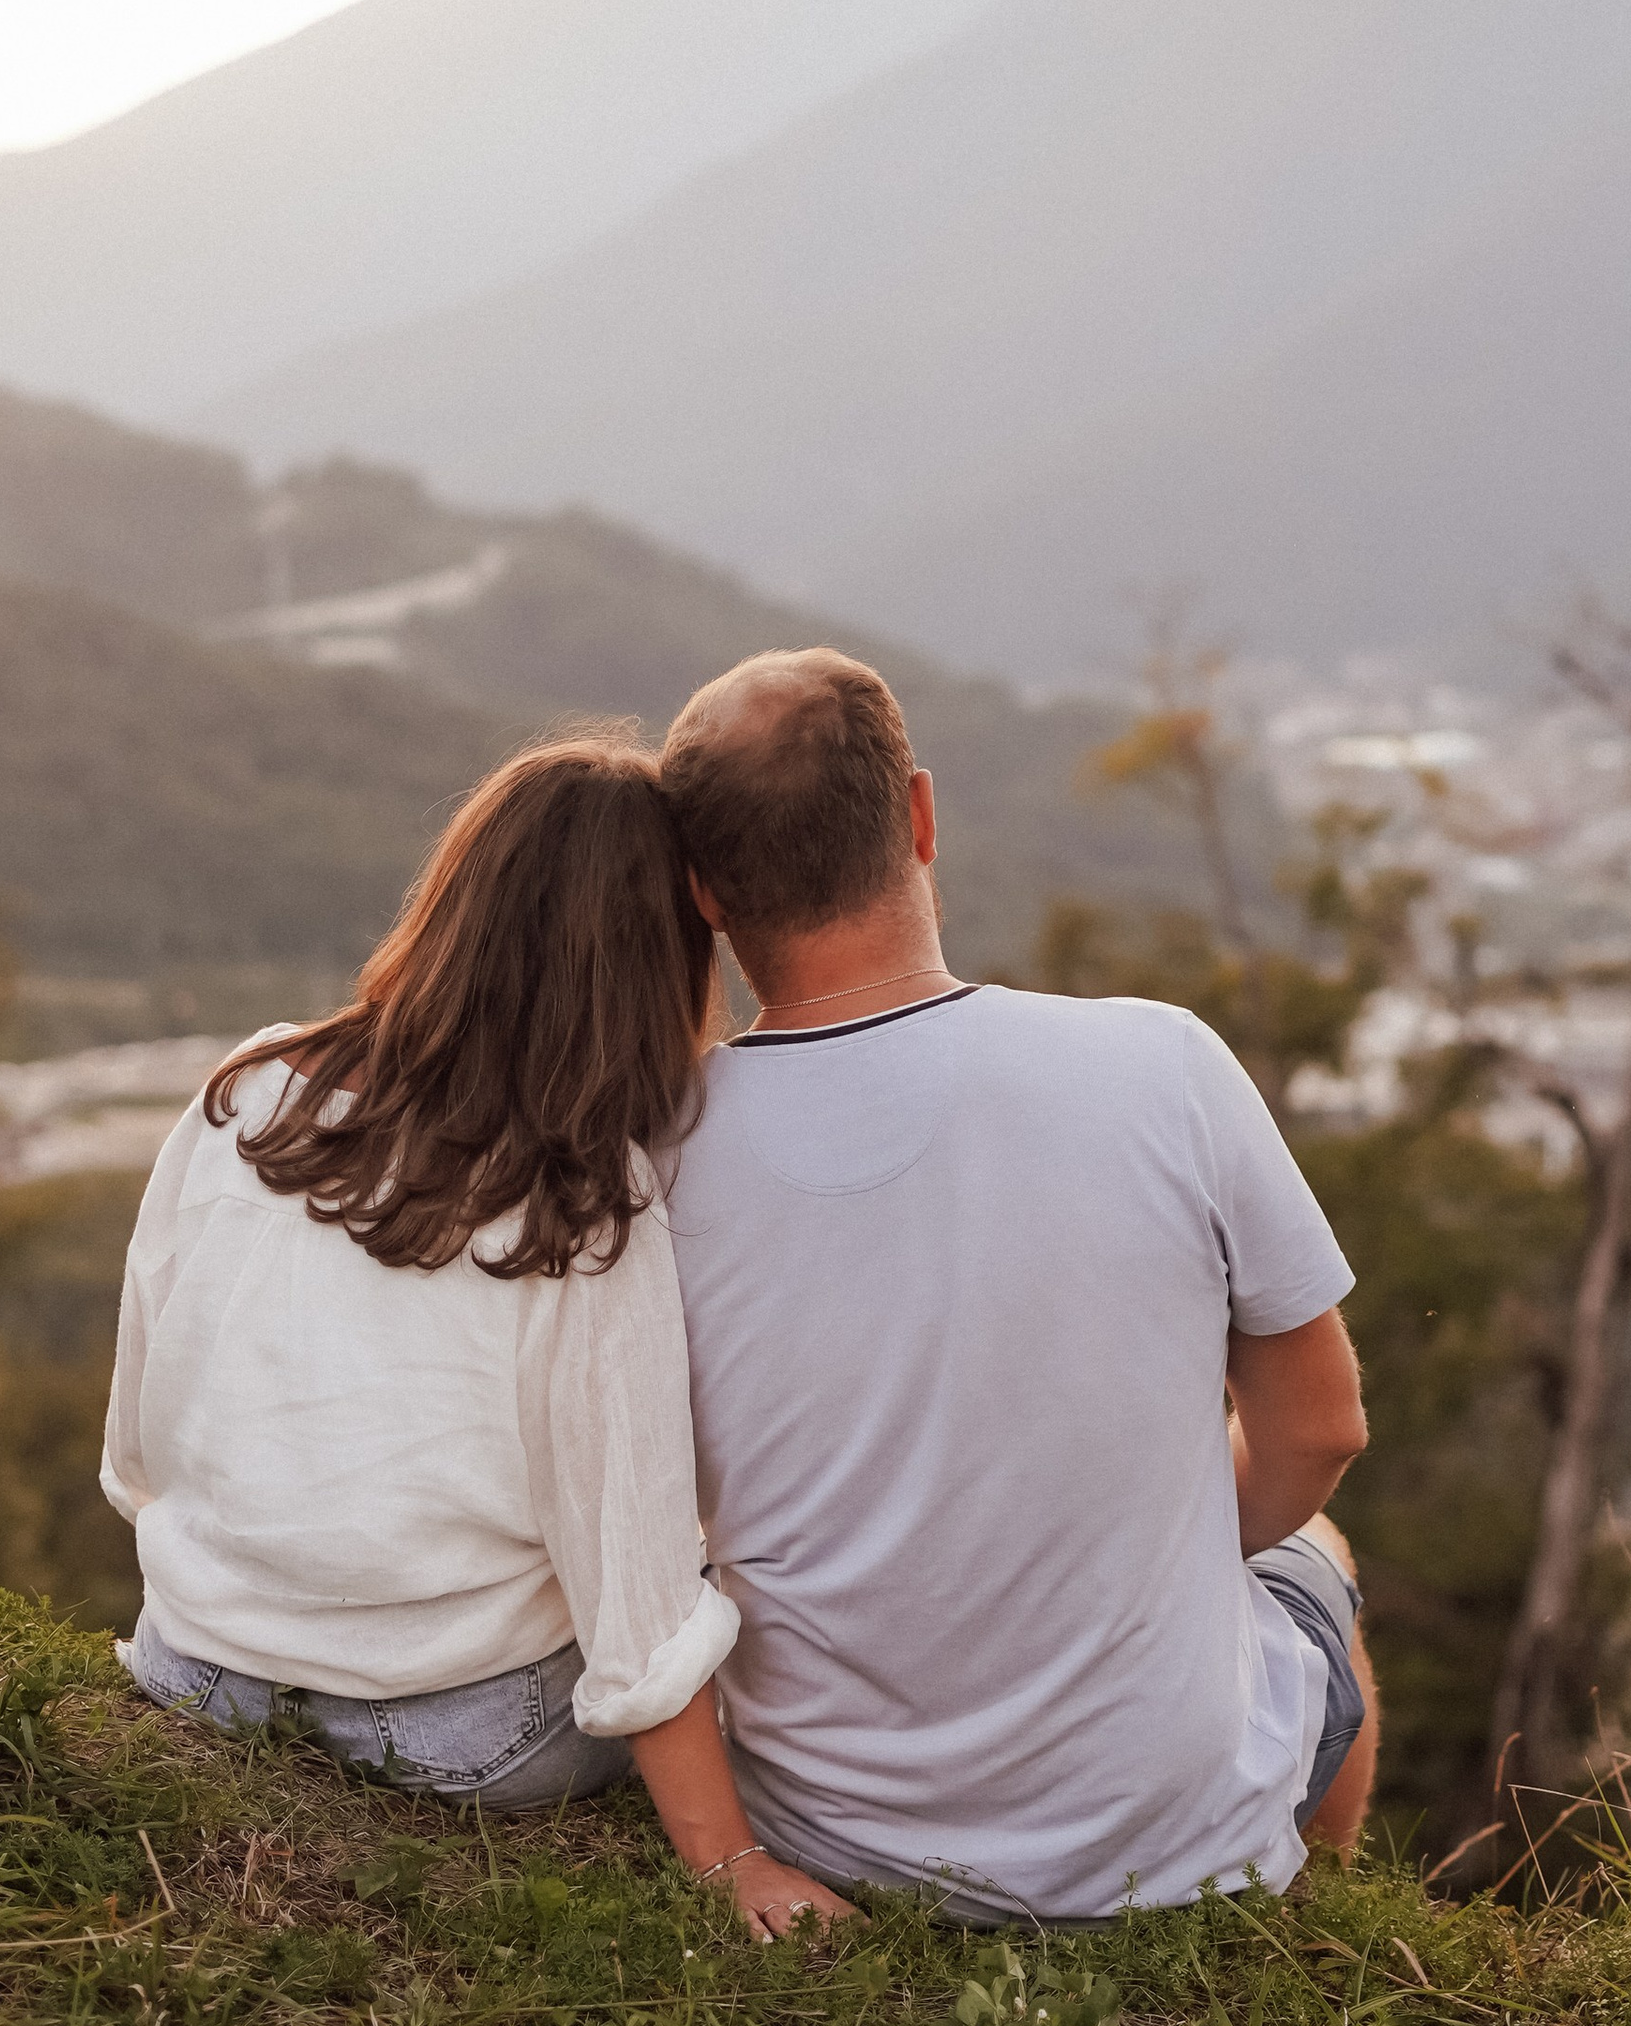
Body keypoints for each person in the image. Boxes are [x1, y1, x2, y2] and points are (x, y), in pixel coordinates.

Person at [658, 647, 1379, 1922]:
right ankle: (1313, 1896)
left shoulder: (660, 1150)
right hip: (1163, 1847)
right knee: (1314, 1550)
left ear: (706, 894)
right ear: (920, 817)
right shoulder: (1162, 1065)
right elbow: (1320, 1429)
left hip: (832, 1835)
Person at [100, 737, 852, 1944]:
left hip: (196, 1666)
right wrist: (732, 1861)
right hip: (457, 1733)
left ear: (454, 895)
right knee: (748, 1579)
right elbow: (638, 1596)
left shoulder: (249, 1091)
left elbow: (138, 1434)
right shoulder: (582, 1202)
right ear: (651, 961)